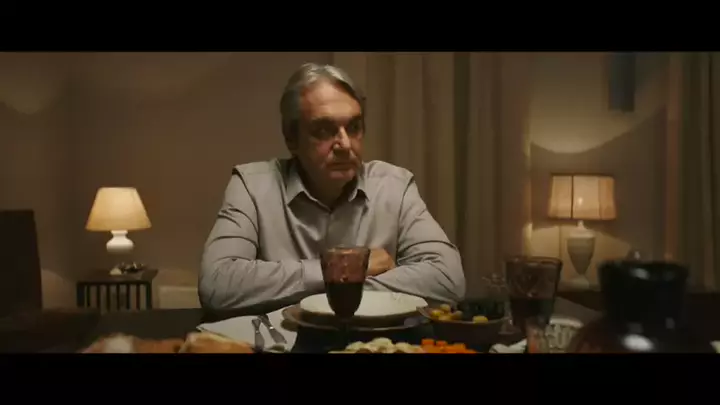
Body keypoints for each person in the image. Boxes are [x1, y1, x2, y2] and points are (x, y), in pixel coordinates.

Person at [199, 62, 465, 312]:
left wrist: (337, 288)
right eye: (324, 130)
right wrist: (344, 270)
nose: (345, 145)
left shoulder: (395, 186)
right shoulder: (252, 186)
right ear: (291, 139)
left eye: (354, 127)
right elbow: (217, 285)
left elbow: (447, 279)